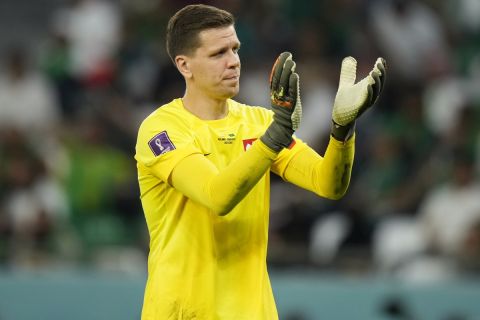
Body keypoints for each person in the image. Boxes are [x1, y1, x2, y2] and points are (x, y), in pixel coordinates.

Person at [134, 4, 385, 319]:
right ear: (185, 65)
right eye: (218, 54)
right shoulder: (162, 129)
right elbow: (217, 195)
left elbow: (328, 183)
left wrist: (342, 130)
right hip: (183, 313)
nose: (233, 62)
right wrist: (273, 138)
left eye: (235, 49)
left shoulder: (259, 123)